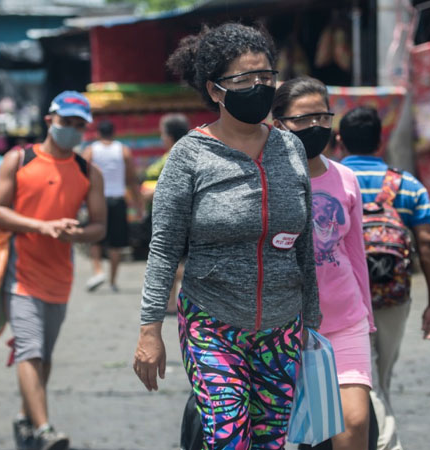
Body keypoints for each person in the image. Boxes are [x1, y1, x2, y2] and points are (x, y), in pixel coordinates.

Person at [133, 23, 321, 449]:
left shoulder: (290, 149)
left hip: (282, 329)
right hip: (212, 324)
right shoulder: (188, 156)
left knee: (270, 441)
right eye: (244, 79)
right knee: (227, 438)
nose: (259, 86)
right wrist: (149, 330)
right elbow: (163, 248)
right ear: (216, 90)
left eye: (266, 76)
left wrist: (311, 319)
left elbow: (304, 241)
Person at [0, 91, 107, 450]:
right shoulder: (19, 159)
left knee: (45, 356)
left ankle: (26, 417)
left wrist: (75, 232)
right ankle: (44, 430)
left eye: (78, 125)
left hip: (60, 276)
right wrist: (40, 226)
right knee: (30, 350)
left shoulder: (88, 172)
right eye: (65, 122)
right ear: (49, 121)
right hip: (20, 272)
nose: (71, 130)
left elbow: (99, 227)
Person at [272, 77, 374, 450]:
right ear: (279, 123)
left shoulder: (346, 178)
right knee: (298, 434)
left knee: (354, 423)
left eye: (322, 117)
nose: (316, 126)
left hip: (345, 321)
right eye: (304, 119)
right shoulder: (267, 178)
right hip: (283, 326)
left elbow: (355, 254)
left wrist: (367, 314)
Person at [340, 107, 430, 450]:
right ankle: (387, 444)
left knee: (363, 378)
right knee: (379, 377)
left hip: (345, 297)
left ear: (339, 141)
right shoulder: (408, 185)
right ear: (380, 141)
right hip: (392, 296)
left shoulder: (334, 178)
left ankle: (378, 441)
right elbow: (426, 244)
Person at [82, 120, 142, 292]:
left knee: (95, 237)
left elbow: (82, 175)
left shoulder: (90, 150)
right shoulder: (123, 150)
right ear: (114, 133)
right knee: (116, 242)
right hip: (117, 199)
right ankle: (113, 281)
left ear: (98, 133)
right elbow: (131, 179)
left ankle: (98, 270)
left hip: (97, 198)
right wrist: (138, 204)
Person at [142, 113, 191, 314]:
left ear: (169, 135)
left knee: (170, 262)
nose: (161, 137)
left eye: (163, 133)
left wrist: (152, 191)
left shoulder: (178, 155)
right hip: (166, 216)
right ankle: (170, 302)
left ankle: (174, 300)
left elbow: (181, 186)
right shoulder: (179, 153)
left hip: (173, 218)